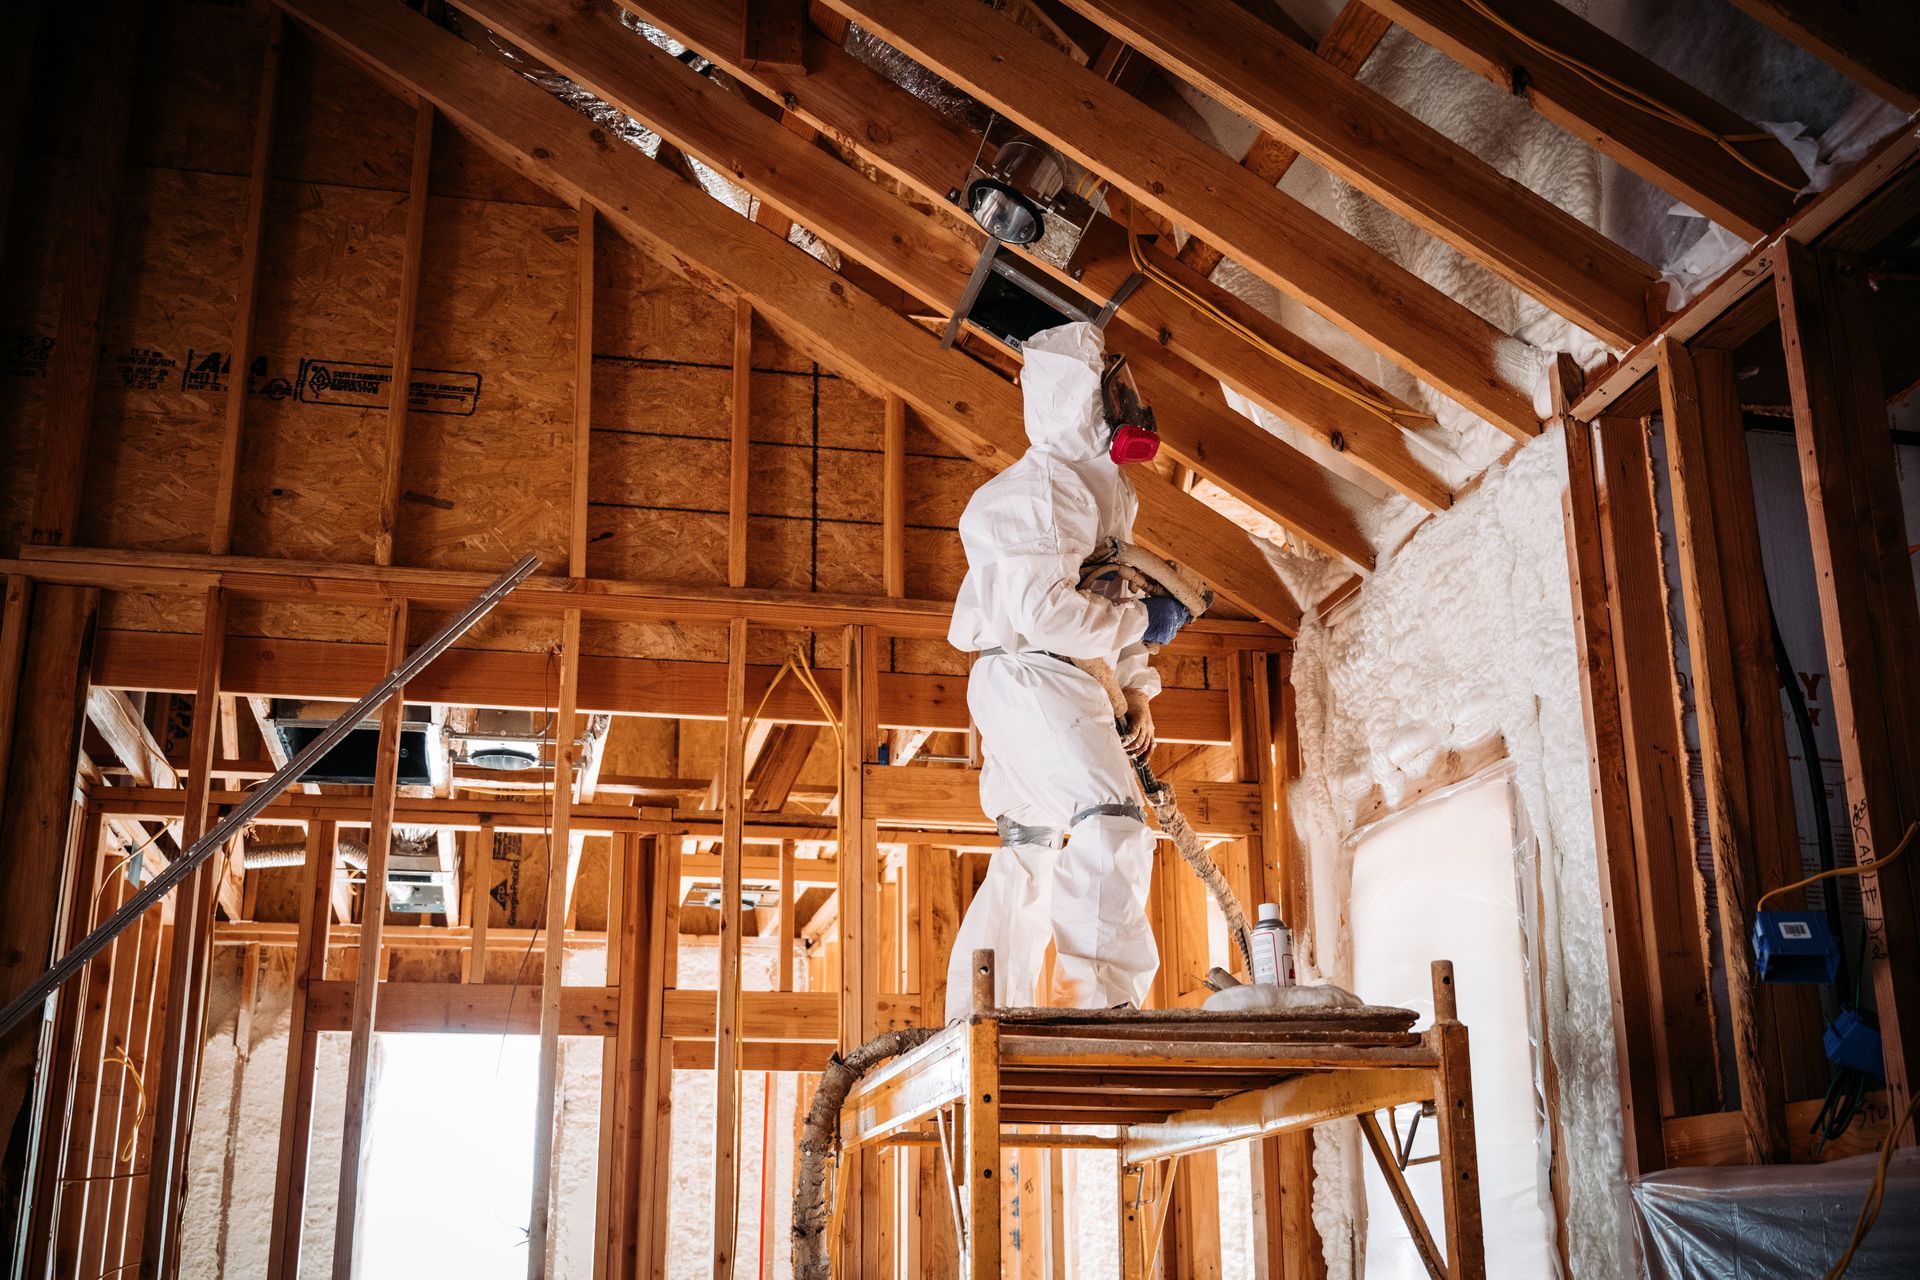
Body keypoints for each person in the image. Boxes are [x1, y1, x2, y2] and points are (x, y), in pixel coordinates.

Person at [943, 321, 1191, 1023]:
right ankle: (1102, 1005)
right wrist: (1144, 627)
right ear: (1079, 401)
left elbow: (1113, 590)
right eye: (1112, 393)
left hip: (1056, 678)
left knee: (1030, 845)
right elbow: (1050, 615)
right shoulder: (1041, 493)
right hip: (1034, 673)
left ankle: (985, 1013)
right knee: (1112, 817)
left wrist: (1138, 687)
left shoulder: (1107, 491)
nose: (1128, 405)